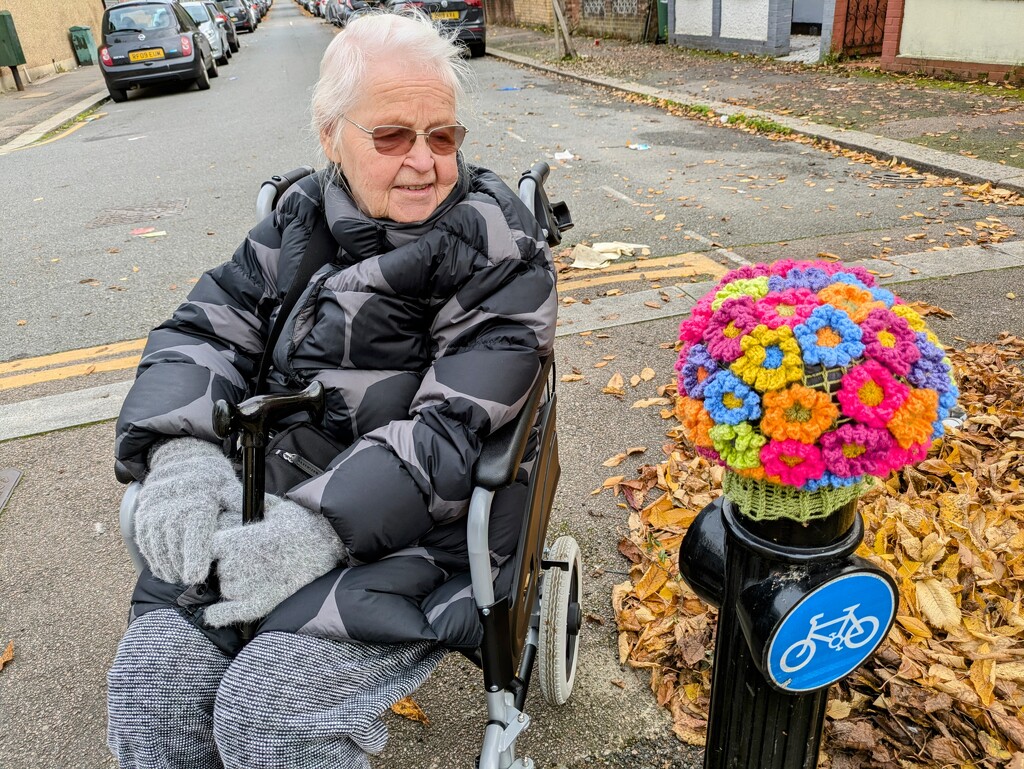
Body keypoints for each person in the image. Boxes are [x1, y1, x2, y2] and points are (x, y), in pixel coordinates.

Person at [106, 12, 557, 769]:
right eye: (393, 136)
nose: (425, 160)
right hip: (262, 501)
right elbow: (203, 331)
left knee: (268, 714)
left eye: (442, 135)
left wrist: (312, 533)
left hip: (416, 536)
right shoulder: (298, 220)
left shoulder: (501, 253)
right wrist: (182, 456)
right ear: (330, 138)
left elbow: (449, 432)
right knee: (154, 685)